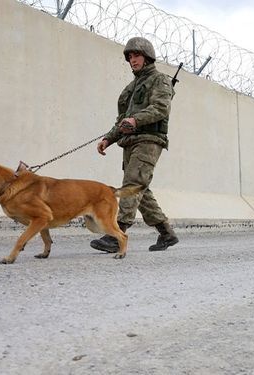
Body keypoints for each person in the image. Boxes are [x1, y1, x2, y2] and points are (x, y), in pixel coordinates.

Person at [90, 36, 179, 252]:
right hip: (130, 143)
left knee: (132, 185)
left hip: (149, 141)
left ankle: (116, 235)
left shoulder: (160, 80)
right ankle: (166, 234)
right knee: (141, 189)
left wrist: (136, 120)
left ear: (147, 57)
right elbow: (122, 121)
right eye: (129, 56)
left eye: (136, 55)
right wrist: (108, 139)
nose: (132, 60)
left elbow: (161, 108)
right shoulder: (130, 89)